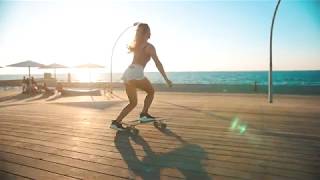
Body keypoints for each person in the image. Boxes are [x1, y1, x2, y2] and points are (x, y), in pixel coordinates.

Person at [110, 23, 172, 131]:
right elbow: (158, 63)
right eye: (149, 31)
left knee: (133, 103)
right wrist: (166, 79)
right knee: (151, 92)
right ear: (146, 33)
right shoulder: (149, 46)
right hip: (136, 72)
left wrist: (137, 27)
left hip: (128, 73)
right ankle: (144, 114)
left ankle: (116, 123)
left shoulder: (137, 45)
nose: (150, 33)